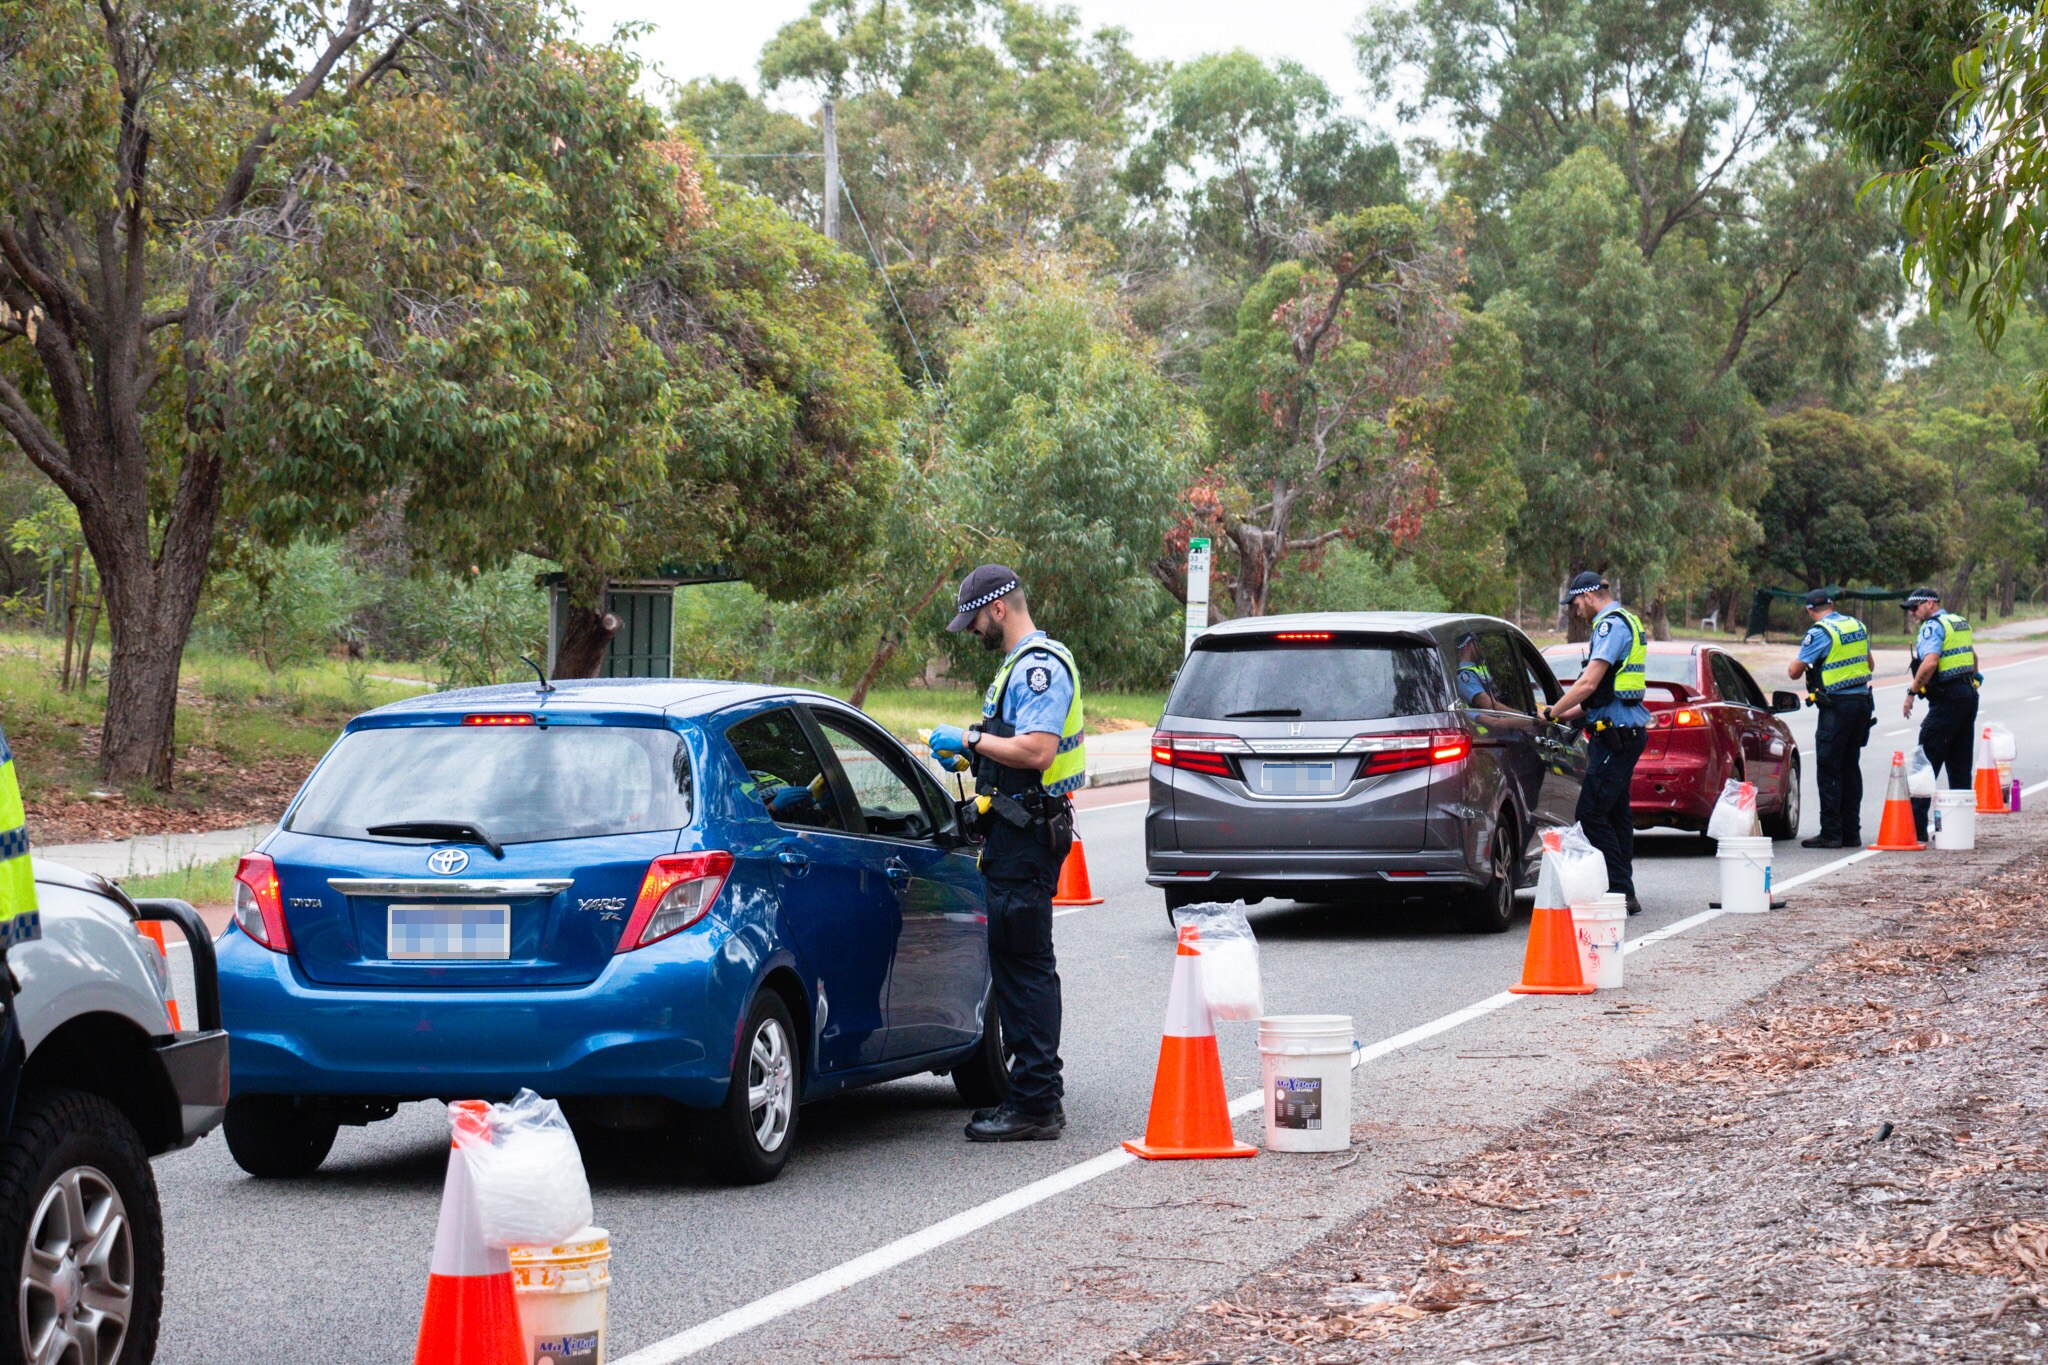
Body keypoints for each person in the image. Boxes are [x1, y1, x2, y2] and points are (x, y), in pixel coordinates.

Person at [926, 565, 1085, 1143]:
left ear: (998, 609)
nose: (971, 632)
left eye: (974, 621)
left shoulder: (1038, 668)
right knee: (1018, 962)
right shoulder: (1018, 667)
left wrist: (968, 739)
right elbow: (1012, 749)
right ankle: (1035, 1094)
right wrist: (973, 759)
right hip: (1015, 833)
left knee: (1024, 966)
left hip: (1025, 838)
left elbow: (1039, 751)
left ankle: (1037, 1101)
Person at [1537, 572, 1649, 916]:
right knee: (1616, 814)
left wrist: (1554, 711)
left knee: (1590, 813)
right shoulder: (1627, 620)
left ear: (1587, 595)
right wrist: (1562, 715)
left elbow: (1588, 683)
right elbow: (1600, 695)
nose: (1575, 610)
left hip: (1616, 736)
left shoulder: (1609, 626)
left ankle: (1618, 889)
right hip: (1618, 732)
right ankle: (1622, 890)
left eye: (1574, 603)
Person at [1786, 589, 1873, 849]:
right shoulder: (1857, 625)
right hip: (1861, 704)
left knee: (1829, 768)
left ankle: (1831, 833)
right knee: (1850, 767)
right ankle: (1851, 832)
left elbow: (1793, 672)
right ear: (1832, 604)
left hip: (1836, 707)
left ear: (1810, 610)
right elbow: (1870, 664)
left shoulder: (1820, 632)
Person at [1900, 587, 1980, 839]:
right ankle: (1959, 828)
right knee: (1959, 761)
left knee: (1926, 759)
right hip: (1967, 694)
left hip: (1947, 697)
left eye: (1915, 608)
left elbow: (1931, 661)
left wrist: (1912, 691)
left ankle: (1916, 829)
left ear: (1930, 603)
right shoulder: (1959, 621)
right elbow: (1973, 656)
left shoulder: (1932, 626)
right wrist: (1973, 681)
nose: (1912, 614)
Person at [1454, 633, 1501, 711]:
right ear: (1468, 647)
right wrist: (1522, 714)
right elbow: (1491, 706)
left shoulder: (1477, 668)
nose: (1479, 649)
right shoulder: (1465, 676)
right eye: (1476, 645)